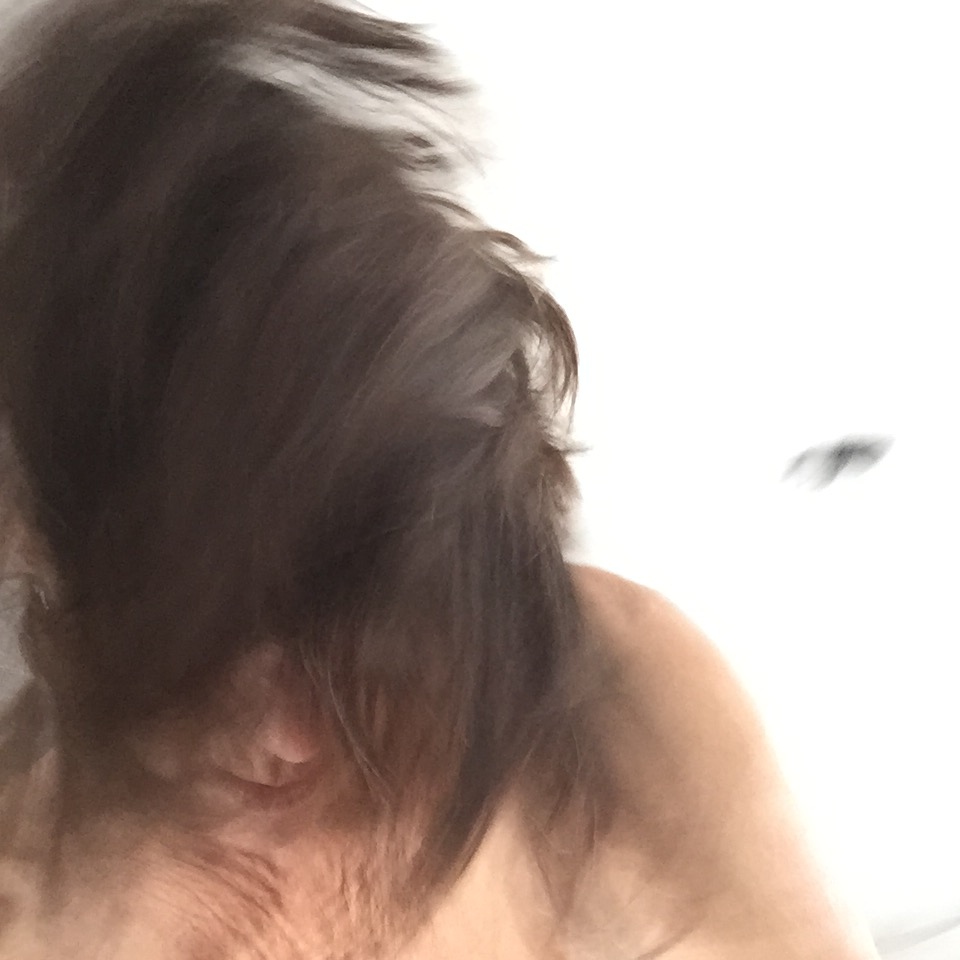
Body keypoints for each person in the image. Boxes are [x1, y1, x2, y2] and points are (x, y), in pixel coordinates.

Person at [0, 0, 878, 956]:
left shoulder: (613, 696)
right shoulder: (38, 897)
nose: (286, 729)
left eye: (347, 632)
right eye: (211, 652)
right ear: (35, 552)